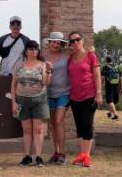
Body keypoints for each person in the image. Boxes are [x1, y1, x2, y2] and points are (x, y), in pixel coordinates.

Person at [11, 40, 52, 167]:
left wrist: (49, 71)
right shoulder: (19, 65)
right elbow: (13, 85)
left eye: (35, 49)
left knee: (39, 129)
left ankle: (38, 157)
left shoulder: (43, 65)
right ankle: (27, 156)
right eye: (30, 49)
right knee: (27, 130)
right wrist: (13, 102)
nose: (33, 51)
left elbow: (46, 83)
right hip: (22, 100)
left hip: (39, 100)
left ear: (38, 51)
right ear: (26, 51)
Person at [68, 31, 102, 167]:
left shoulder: (91, 56)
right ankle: (82, 155)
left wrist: (99, 93)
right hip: (74, 97)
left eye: (77, 39)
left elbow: (97, 76)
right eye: (72, 41)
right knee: (80, 127)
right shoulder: (70, 58)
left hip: (89, 95)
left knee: (87, 125)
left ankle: (87, 156)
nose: (75, 43)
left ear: (83, 40)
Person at [43, 31, 71, 164]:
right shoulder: (43, 56)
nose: (55, 44)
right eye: (53, 42)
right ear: (49, 43)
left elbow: (81, 53)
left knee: (59, 121)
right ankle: (56, 152)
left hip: (64, 93)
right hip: (48, 93)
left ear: (62, 44)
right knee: (53, 124)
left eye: (58, 42)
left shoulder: (66, 55)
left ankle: (62, 153)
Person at [101, 55, 122, 121]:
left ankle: (115, 115)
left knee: (110, 101)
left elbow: (102, 78)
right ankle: (110, 113)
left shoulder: (105, 67)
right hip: (116, 86)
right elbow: (121, 79)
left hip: (109, 86)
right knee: (114, 101)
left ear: (106, 60)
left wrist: (100, 87)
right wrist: (121, 88)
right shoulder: (117, 67)